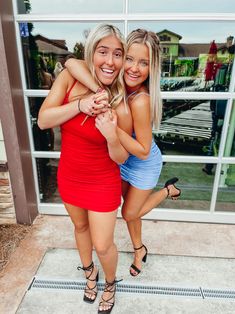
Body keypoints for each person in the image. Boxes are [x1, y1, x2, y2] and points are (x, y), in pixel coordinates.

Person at [65, 28, 181, 277]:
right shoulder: (117, 84)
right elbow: (71, 62)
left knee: (129, 212)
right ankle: (139, 248)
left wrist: (112, 128)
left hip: (143, 162)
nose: (134, 68)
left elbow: (142, 150)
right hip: (122, 157)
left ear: (152, 68)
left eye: (144, 63)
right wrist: (98, 89)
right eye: (129, 59)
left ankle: (167, 190)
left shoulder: (140, 100)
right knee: (126, 209)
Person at [38, 24, 131, 314]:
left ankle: (111, 282)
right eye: (103, 52)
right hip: (70, 176)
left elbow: (121, 159)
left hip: (103, 181)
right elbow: (43, 120)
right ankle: (89, 274)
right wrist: (82, 105)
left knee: (103, 244)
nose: (110, 61)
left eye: (118, 54)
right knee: (79, 227)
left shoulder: (121, 101)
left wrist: (111, 136)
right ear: (92, 52)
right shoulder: (68, 78)